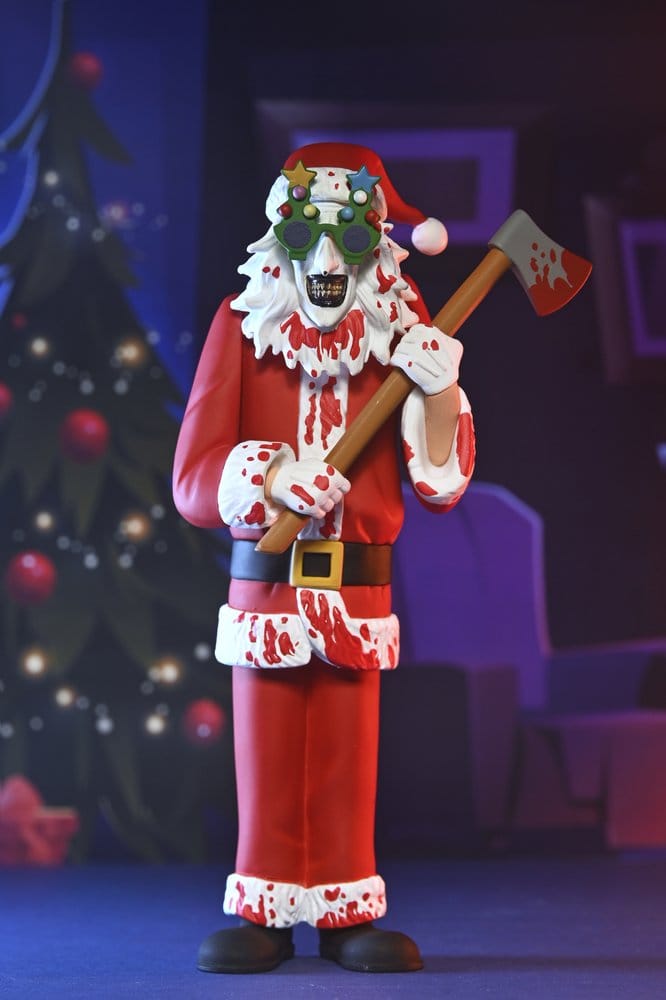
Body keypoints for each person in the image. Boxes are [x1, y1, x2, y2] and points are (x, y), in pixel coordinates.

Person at [173, 142, 475, 974]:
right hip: (266, 590)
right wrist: (271, 476)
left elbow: (440, 484)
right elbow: (195, 478)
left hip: (357, 588)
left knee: (348, 755)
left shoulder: (403, 330)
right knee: (266, 749)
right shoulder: (242, 325)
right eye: (309, 234)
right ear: (280, 237)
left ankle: (345, 910)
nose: (330, 260)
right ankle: (264, 908)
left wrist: (440, 392)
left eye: (351, 235)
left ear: (378, 243)